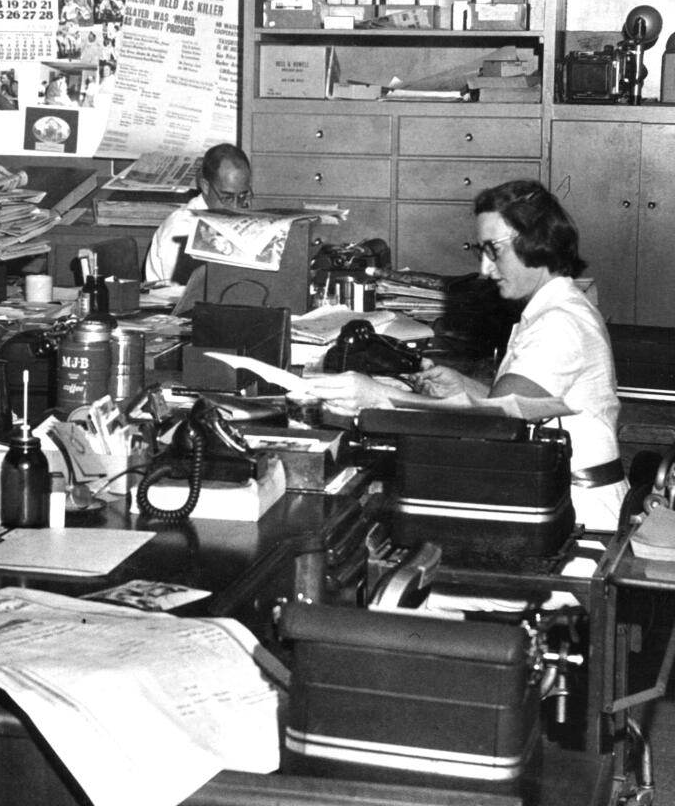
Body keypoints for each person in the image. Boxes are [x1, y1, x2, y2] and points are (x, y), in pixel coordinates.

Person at [308, 180, 629, 534]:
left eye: (494, 250)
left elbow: (499, 424)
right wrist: (466, 388)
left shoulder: (559, 323)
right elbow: (521, 406)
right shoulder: (554, 307)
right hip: (554, 505)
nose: (486, 270)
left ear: (536, 242)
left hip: (577, 521)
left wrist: (380, 398)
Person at [143, 144, 253, 284]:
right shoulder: (181, 227)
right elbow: (181, 290)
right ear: (205, 186)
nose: (236, 206)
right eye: (227, 197)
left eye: (243, 196)